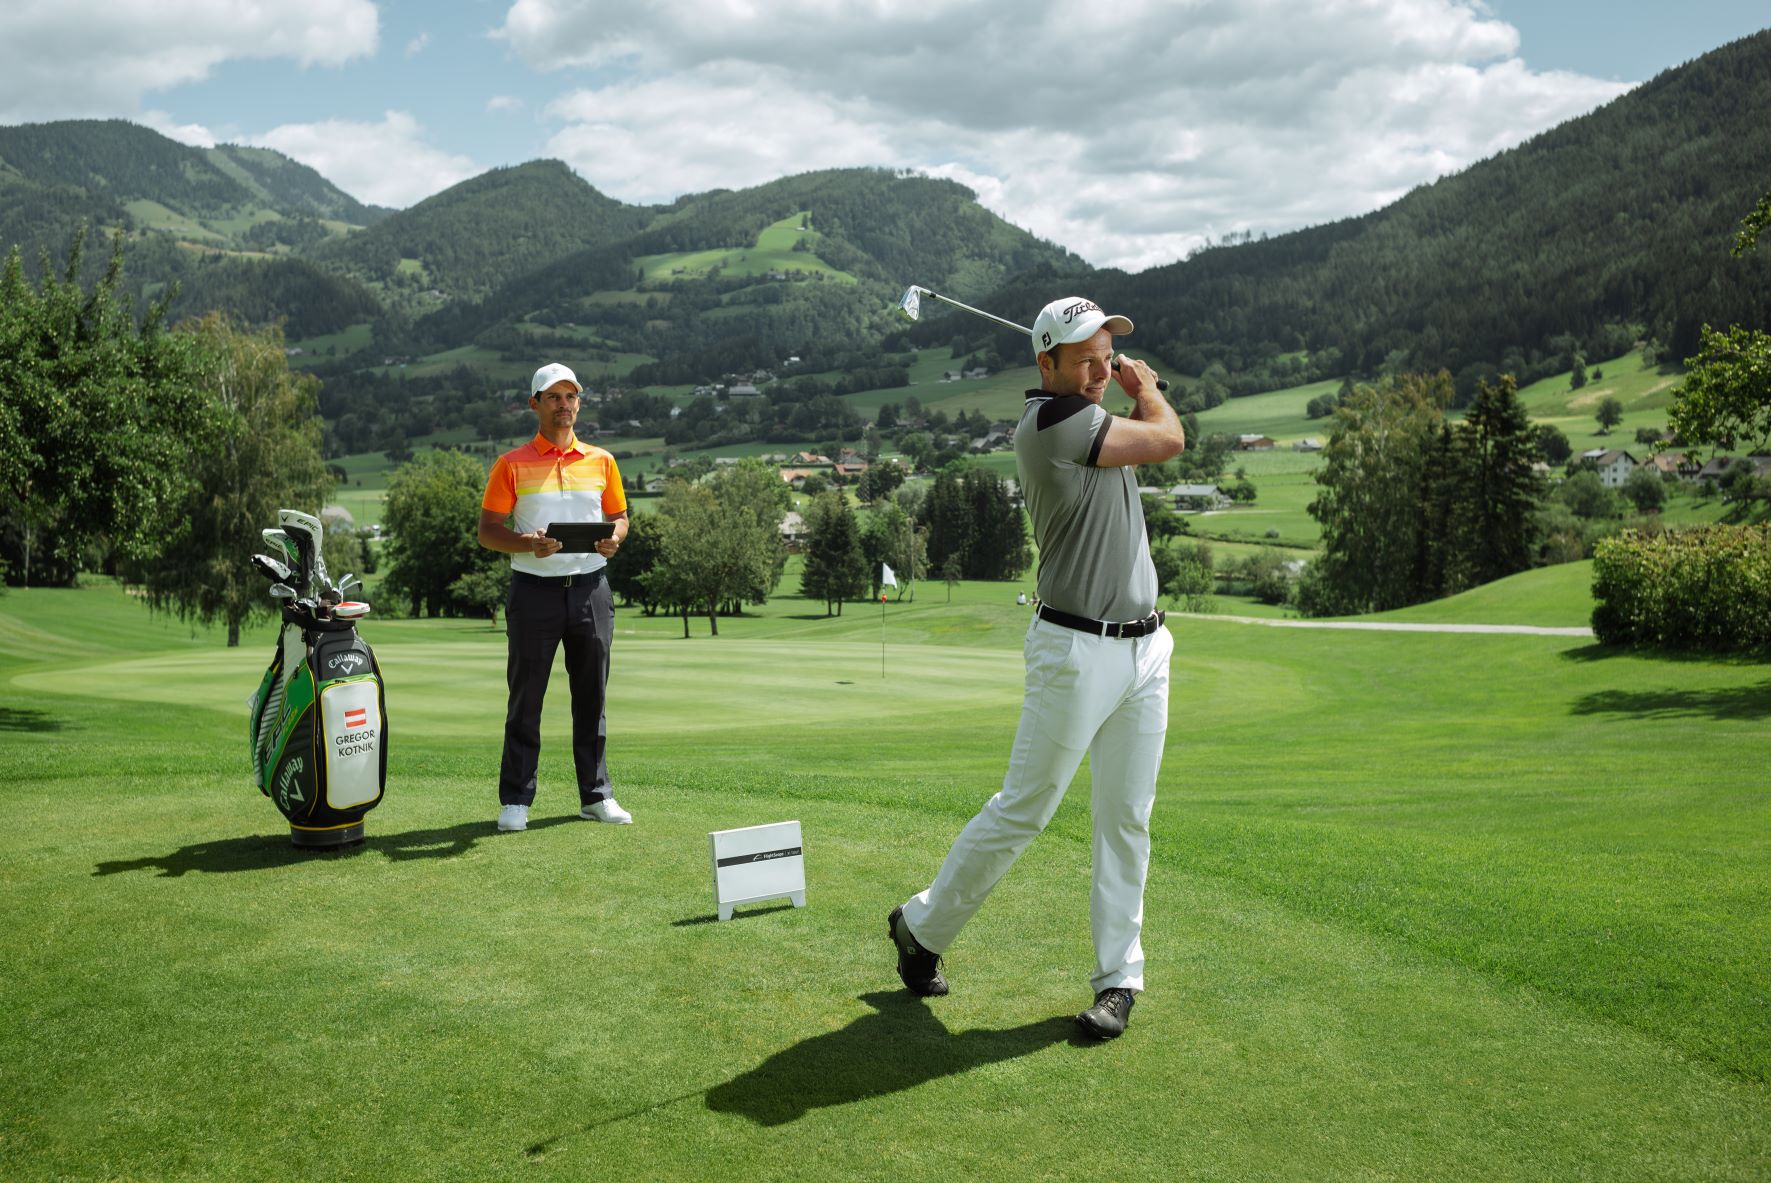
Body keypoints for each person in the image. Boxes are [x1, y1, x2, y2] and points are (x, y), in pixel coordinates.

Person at [889, 297, 1184, 1040]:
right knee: (1025, 806)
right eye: (1083, 360)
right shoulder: (1054, 423)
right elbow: (1168, 439)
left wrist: (1122, 385)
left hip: (1146, 649)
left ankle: (1119, 978)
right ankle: (920, 928)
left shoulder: (1085, 413)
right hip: (1074, 650)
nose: (1096, 372)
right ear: (1044, 362)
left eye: (1105, 357)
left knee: (1126, 817)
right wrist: (1142, 386)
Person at [478, 362, 633, 832]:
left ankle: (596, 795)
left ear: (578, 404)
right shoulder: (510, 464)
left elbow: (620, 517)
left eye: (570, 397)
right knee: (526, 699)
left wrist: (616, 539)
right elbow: (488, 532)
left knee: (592, 697)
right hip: (534, 594)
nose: (564, 406)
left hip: (592, 590)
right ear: (535, 405)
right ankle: (517, 799)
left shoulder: (602, 460)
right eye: (553, 398)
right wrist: (529, 543)